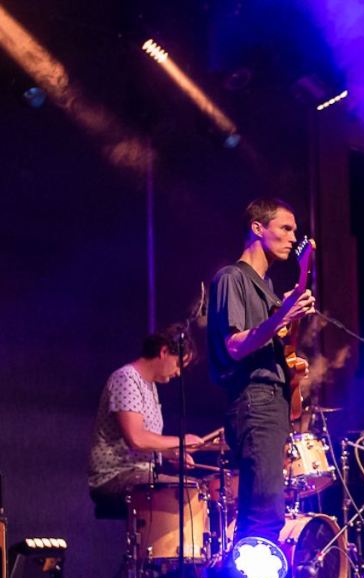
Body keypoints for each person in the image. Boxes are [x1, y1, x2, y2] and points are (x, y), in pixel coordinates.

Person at [206, 197, 314, 555]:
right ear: (258, 228)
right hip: (254, 401)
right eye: (285, 228)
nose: (292, 238)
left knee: (267, 508)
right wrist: (282, 316)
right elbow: (235, 346)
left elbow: (276, 346)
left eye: (294, 231)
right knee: (262, 513)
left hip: (273, 403)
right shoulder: (231, 277)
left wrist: (290, 321)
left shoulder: (266, 288)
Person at [89, 324, 203, 505]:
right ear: (164, 352)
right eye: (178, 364)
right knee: (189, 492)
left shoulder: (150, 387)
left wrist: (172, 454)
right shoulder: (126, 378)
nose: (179, 373)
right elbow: (137, 439)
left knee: (196, 490)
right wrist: (181, 442)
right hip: (115, 476)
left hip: (139, 473)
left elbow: (146, 445)